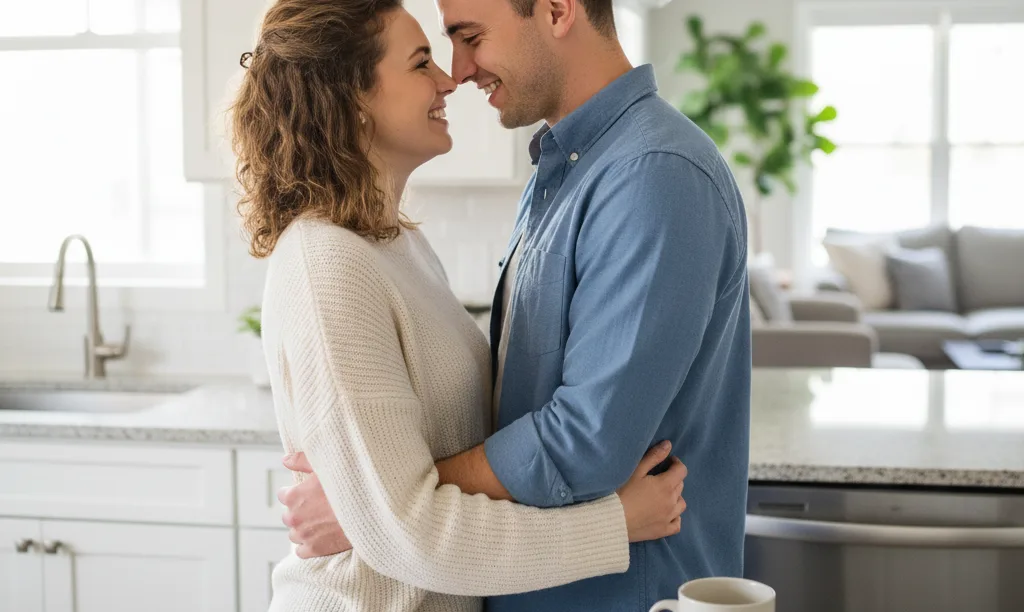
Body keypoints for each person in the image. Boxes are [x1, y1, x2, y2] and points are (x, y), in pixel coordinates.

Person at [279, 0, 753, 609]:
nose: (460, 69)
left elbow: (583, 443)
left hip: (622, 595)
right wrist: (383, 502)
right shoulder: (563, 170)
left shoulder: (653, 175)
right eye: (434, 53)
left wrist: (373, 501)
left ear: (557, 11)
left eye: (471, 36)